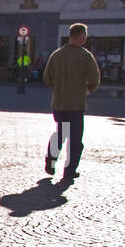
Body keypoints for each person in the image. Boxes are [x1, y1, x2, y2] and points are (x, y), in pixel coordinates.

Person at [41, 23, 100, 181]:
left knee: (60, 133)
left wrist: (58, 85)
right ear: (81, 35)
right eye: (85, 35)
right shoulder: (85, 56)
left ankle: (51, 161)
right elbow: (95, 78)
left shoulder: (57, 54)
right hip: (76, 105)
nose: (85, 38)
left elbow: (46, 78)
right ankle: (69, 171)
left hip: (59, 104)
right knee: (75, 140)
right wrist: (87, 89)